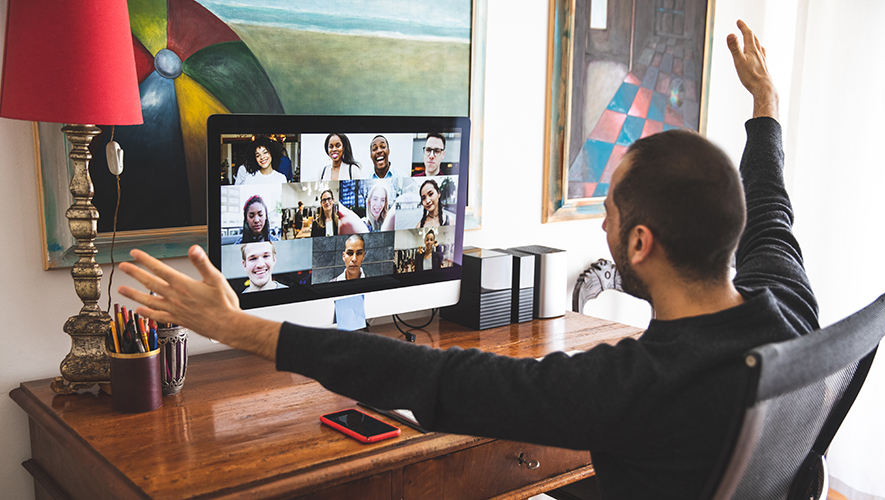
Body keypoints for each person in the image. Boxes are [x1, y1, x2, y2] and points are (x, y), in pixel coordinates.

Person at [118, 21, 817, 500]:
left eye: (608, 209)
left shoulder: (631, 385)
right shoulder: (788, 310)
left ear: (640, 244)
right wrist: (765, 107)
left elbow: (434, 376)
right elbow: (774, 209)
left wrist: (238, 327)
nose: (599, 221)